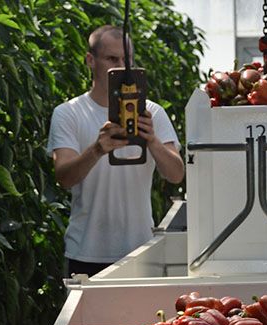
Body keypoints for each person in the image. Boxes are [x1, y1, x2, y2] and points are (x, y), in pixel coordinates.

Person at [47, 25, 185, 278]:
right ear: (91, 60)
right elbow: (64, 177)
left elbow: (176, 174)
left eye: (127, 59)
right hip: (86, 252)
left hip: (140, 250)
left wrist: (152, 141)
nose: (122, 67)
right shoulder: (69, 113)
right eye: (112, 59)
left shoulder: (152, 113)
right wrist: (97, 149)